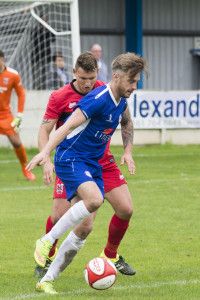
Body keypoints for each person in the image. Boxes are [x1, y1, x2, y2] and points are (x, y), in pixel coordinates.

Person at [27, 52, 147, 294]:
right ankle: (47, 240)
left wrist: (128, 151)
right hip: (71, 157)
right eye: (132, 81)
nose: (135, 86)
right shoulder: (98, 98)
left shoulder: (119, 99)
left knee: (85, 228)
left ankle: (47, 280)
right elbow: (67, 126)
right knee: (93, 200)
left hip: (93, 162)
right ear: (117, 77)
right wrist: (45, 154)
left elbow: (126, 122)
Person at [0, 50, 35, 181]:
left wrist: (19, 115)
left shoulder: (13, 75)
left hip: (5, 114)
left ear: (2, 60)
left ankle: (26, 170)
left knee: (16, 142)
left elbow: (21, 93)